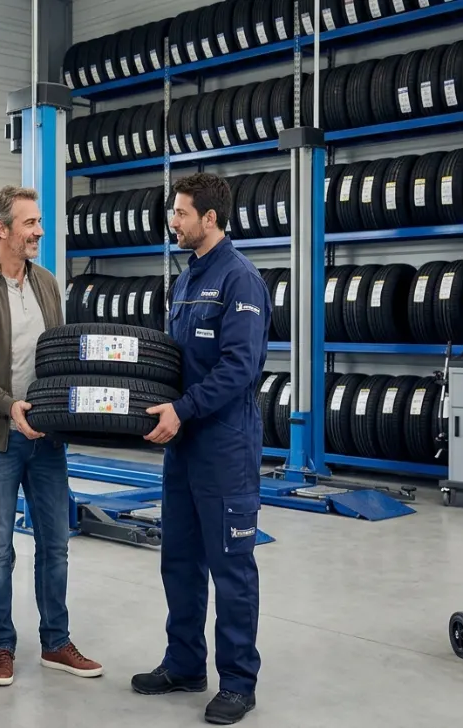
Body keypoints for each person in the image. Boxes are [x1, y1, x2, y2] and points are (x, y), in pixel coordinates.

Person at [0, 184, 103, 687]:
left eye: (38, 222)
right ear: (2, 229)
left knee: (55, 542)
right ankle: (2, 646)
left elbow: (58, 357)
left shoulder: (47, 285)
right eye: (30, 223)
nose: (39, 231)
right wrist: (8, 407)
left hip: (47, 437)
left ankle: (56, 642)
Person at [131, 173, 271, 725]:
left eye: (182, 213)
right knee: (179, 561)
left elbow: (240, 368)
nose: (174, 221)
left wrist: (182, 411)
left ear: (209, 218)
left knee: (230, 565)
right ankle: (185, 663)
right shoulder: (186, 279)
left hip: (225, 447)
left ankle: (238, 681)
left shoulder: (240, 281)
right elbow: (174, 363)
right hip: (182, 445)